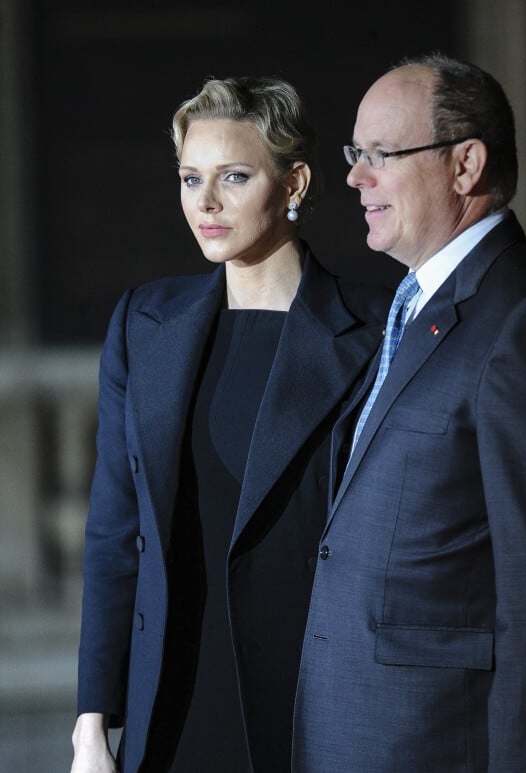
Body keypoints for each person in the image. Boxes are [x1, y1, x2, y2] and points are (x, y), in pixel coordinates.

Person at [69, 75, 390, 773]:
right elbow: (114, 531)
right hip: (171, 705)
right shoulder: (143, 324)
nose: (205, 203)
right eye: (190, 179)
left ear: (295, 182)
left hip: (311, 710)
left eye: (233, 176)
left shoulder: (374, 331)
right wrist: (91, 721)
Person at [292, 53, 526, 772]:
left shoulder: (525, 319)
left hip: (435, 746)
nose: (355, 177)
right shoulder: (416, 303)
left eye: (380, 155)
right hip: (359, 736)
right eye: (355, 154)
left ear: (465, 165)